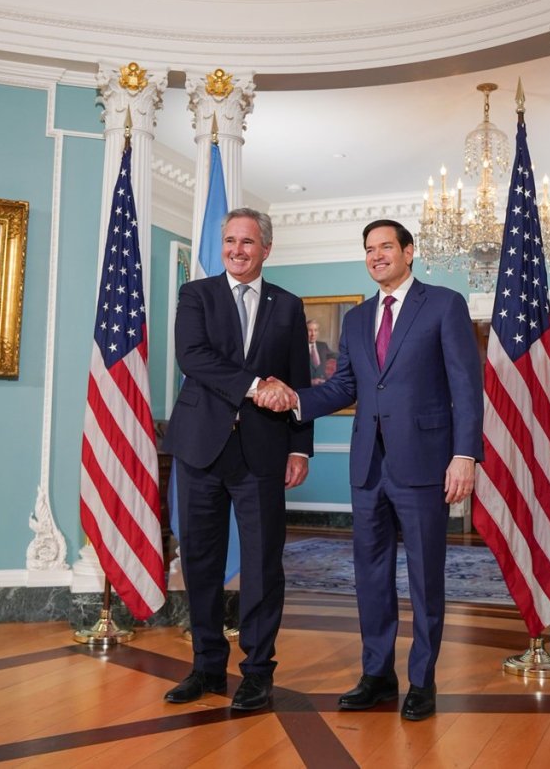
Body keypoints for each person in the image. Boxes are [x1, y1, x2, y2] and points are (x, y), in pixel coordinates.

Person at [256, 219, 483, 722]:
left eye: (385, 247)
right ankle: (377, 675)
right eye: (369, 249)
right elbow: (345, 388)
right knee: (370, 576)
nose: (376, 256)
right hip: (367, 466)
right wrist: (295, 399)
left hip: (425, 463)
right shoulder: (358, 319)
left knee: (425, 577)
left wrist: (464, 455)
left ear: (409, 251)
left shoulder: (443, 305)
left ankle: (422, 680)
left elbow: (466, 387)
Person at [160, 208, 313, 713]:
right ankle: (206, 666)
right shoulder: (196, 295)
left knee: (263, 563)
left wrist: (299, 446)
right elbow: (193, 357)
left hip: (263, 451)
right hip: (200, 448)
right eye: (230, 241)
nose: (237, 250)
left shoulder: (288, 306)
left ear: (266, 248)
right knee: (200, 562)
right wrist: (254, 385)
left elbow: (298, 380)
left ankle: (257, 671)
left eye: (247, 242)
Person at [306, 319, 334, 384]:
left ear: (318, 332)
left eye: (315, 330)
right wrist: (310, 381)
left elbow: (336, 356)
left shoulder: (323, 346)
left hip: (323, 384)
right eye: (310, 330)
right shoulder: (299, 348)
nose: (313, 334)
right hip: (307, 385)